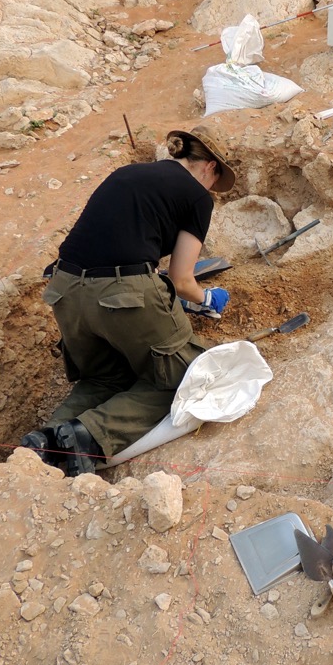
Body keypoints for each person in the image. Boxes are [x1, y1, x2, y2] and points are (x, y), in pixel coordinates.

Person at [18, 123, 236, 476]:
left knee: (105, 378)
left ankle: (42, 444)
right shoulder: (198, 197)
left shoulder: (126, 173)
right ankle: (89, 436)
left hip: (64, 289)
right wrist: (206, 297)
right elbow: (182, 280)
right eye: (215, 180)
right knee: (187, 377)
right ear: (210, 166)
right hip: (121, 294)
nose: (212, 188)